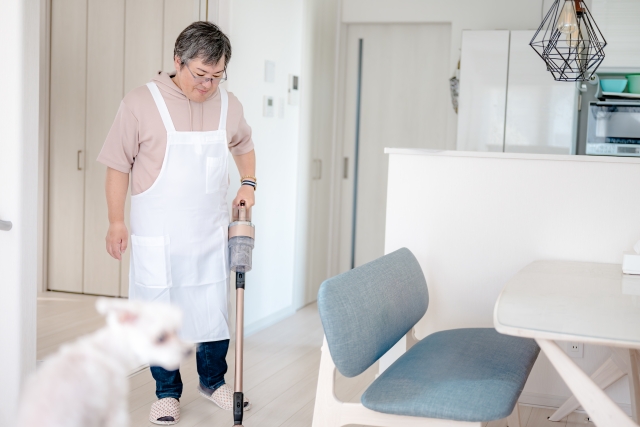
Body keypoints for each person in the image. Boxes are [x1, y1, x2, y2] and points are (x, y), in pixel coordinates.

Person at [98, 21, 255, 425]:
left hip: (208, 231)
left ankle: (214, 382)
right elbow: (117, 165)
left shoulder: (228, 104)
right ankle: (166, 393)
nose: (207, 85)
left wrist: (249, 184)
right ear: (177, 61)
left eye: (217, 76)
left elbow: (244, 145)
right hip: (159, 235)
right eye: (200, 74)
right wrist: (117, 221)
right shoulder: (140, 102)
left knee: (212, 310)